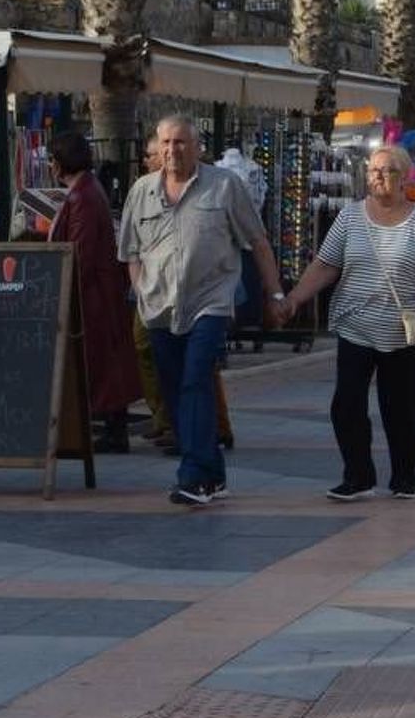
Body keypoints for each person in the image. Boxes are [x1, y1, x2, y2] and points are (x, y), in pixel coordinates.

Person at [120, 116, 284, 507]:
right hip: (159, 306)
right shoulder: (141, 191)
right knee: (175, 389)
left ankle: (192, 475)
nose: (172, 150)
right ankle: (213, 472)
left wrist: (276, 294)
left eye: (180, 143)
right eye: (166, 143)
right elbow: (130, 252)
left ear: (197, 148)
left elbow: (257, 242)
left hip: (209, 302)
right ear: (157, 148)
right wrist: (143, 290)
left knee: (196, 380)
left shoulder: (225, 186)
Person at [280, 145, 415, 502]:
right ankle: (357, 475)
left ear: (404, 179)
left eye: (386, 171)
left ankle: (405, 475)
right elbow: (325, 265)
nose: (376, 177)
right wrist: (296, 297)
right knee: (346, 404)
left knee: (401, 408)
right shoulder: (350, 218)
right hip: (355, 324)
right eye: (372, 170)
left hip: (405, 329)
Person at [131, 134, 235, 455]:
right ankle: (182, 430)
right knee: (175, 362)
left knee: (195, 368)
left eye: (152, 154)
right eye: (152, 154)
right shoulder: (146, 191)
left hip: (198, 293)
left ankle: (200, 437)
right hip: (156, 290)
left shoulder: (214, 187)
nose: (150, 160)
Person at [47, 131, 140, 453]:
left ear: (59, 162)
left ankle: (113, 429)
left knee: (100, 361)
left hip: (93, 296)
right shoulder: (87, 190)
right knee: (106, 361)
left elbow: (80, 251)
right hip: (98, 292)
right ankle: (112, 425)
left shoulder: (82, 196)